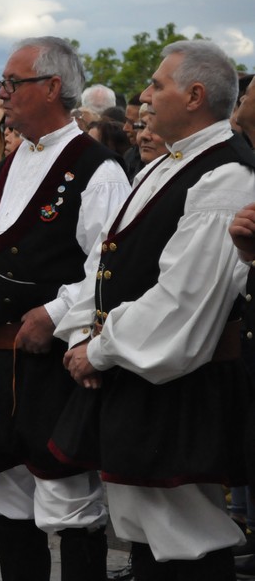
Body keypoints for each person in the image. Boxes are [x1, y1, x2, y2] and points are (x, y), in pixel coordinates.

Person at [51, 40, 255, 579]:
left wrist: (99, 349)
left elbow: (185, 300)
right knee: (143, 524)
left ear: (194, 96)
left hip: (179, 382)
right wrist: (79, 334)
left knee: (184, 531)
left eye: (157, 85)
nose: (143, 96)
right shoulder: (161, 166)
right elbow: (107, 260)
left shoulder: (225, 176)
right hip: (138, 372)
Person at [0, 37, 130, 580]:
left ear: (50, 88)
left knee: (69, 504)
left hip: (51, 370)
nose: (2, 95)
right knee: (6, 500)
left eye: (11, 83)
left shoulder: (99, 171)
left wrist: (55, 313)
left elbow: (108, 267)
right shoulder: (10, 159)